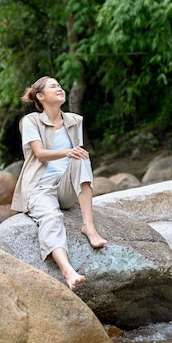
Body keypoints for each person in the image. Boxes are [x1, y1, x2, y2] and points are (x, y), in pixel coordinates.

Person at [11, 76, 107, 290]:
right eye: (53, 86)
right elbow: (40, 154)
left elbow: (77, 155)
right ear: (40, 96)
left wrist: (73, 154)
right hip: (40, 186)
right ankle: (68, 271)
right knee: (52, 217)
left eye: (60, 85)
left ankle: (88, 226)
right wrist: (66, 151)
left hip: (65, 186)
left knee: (82, 157)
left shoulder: (74, 121)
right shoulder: (31, 121)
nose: (60, 88)